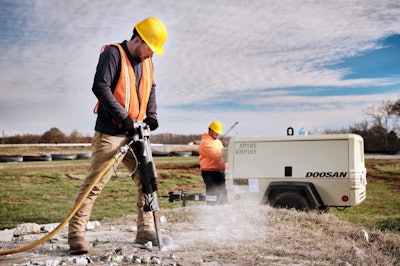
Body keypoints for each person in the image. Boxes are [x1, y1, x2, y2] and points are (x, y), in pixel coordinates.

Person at [67, 17, 168, 255]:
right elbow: (100, 86)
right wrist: (123, 118)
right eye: (149, 49)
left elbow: (151, 87)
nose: (151, 55)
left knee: (147, 182)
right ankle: (75, 234)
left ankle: (145, 231)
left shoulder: (147, 62)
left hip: (137, 134)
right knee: (94, 185)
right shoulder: (114, 53)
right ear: (137, 40)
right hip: (111, 132)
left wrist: (151, 115)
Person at [198, 121, 228, 205]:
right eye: (216, 132)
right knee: (213, 193)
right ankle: (211, 210)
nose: (218, 134)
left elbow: (223, 155)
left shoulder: (217, 142)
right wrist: (230, 154)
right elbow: (217, 155)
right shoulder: (205, 142)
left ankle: (222, 210)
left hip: (220, 172)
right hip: (210, 173)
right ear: (210, 131)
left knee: (223, 193)